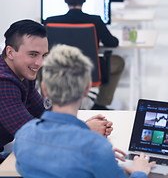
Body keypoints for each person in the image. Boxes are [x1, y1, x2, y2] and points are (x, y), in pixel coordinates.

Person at [14, 44, 155, 177]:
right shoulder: (96, 148)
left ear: (44, 89)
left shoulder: (24, 136)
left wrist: (102, 160)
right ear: (87, 88)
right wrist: (139, 172)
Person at [0, 20, 112, 163]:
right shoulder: (4, 82)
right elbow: (33, 136)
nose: (40, 63)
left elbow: (44, 113)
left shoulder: (22, 73)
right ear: (10, 52)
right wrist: (85, 131)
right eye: (33, 54)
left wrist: (79, 125)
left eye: (44, 55)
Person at [44, 0, 125, 110]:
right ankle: (100, 103)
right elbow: (112, 42)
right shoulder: (95, 21)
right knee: (119, 62)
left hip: (58, 69)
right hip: (89, 71)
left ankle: (47, 104)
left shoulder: (50, 21)